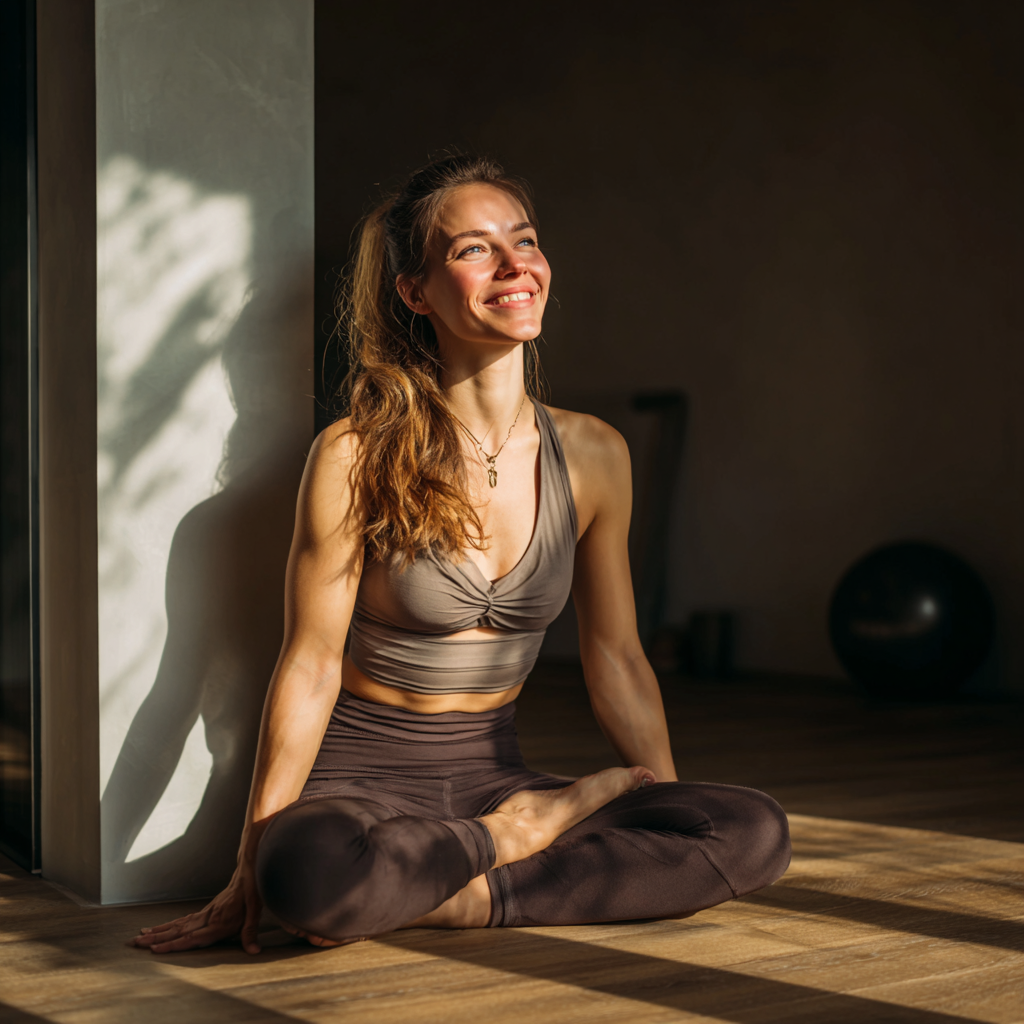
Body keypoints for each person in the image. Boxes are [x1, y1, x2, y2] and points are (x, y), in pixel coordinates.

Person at [132, 155, 790, 955]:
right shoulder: (354, 456)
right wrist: (249, 864)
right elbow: (309, 665)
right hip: (365, 790)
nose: (516, 266)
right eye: (474, 249)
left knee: (754, 832)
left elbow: (616, 656)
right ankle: (502, 849)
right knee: (302, 869)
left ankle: (432, 891)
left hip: (495, 777)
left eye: (526, 241)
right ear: (415, 291)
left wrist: (662, 803)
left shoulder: (593, 454)